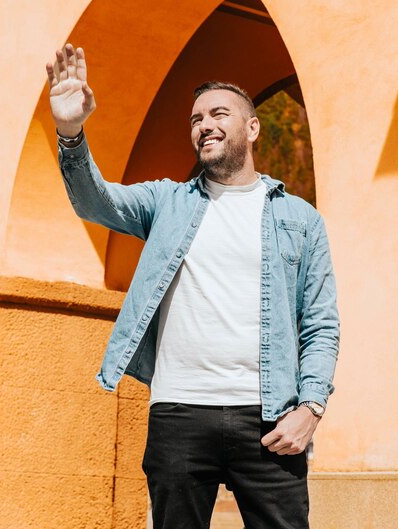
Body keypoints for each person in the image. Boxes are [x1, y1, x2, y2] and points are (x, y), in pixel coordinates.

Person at [46, 43, 340, 529]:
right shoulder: (167, 202)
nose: (204, 124)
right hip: (180, 412)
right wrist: (71, 132)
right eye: (195, 118)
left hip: (270, 417)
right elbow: (94, 202)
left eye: (218, 113)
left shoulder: (299, 219)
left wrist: (310, 407)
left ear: (252, 127)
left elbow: (321, 322)